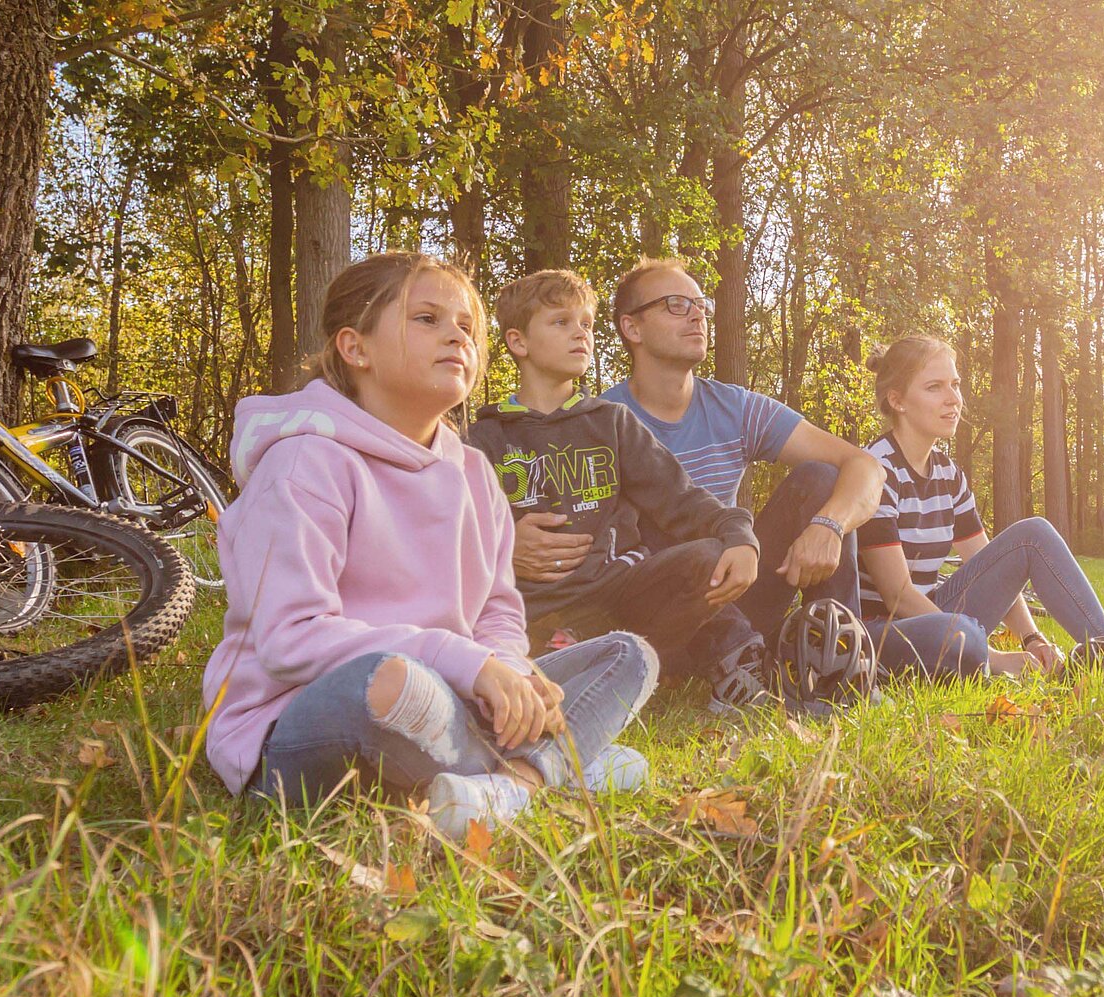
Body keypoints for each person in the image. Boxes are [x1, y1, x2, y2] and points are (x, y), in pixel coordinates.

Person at [203, 252, 659, 840]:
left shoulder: (472, 472)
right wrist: (468, 664)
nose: (456, 335)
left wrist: (514, 674)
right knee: (386, 680)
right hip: (306, 720)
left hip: (453, 698)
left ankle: (510, 785)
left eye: (467, 326)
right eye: (426, 318)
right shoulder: (303, 464)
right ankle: (559, 766)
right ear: (355, 347)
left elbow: (496, 610)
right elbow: (291, 640)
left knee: (628, 656)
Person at [511, 258, 889, 711]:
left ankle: (836, 669)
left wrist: (829, 524)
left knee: (822, 480)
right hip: (656, 612)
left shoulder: (735, 407)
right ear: (632, 328)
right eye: (675, 305)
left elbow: (865, 466)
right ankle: (726, 663)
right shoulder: (597, 423)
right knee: (650, 513)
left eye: (701, 305)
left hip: (737, 585)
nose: (697, 315)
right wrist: (504, 541)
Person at [466, 269, 763, 657]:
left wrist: (739, 534)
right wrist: (502, 543)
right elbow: (458, 536)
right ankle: (564, 655)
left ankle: (639, 657)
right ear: (518, 341)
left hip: (616, 595)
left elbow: (681, 498)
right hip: (529, 607)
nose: (581, 334)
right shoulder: (484, 439)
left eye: (586, 324)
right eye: (561, 322)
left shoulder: (612, 421)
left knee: (706, 558)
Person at [853, 335, 1104, 677]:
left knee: (1032, 535)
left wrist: (1031, 638)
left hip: (937, 618)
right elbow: (898, 597)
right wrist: (992, 654)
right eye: (934, 387)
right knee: (967, 638)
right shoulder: (878, 470)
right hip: (883, 634)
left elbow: (991, 564)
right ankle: (979, 656)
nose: (953, 400)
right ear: (897, 401)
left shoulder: (949, 475)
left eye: (956, 385)